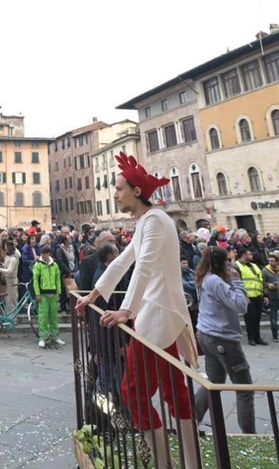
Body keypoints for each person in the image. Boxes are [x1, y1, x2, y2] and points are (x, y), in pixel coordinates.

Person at [75, 152, 200, 469]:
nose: (115, 194)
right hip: (162, 316)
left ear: (137, 192)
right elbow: (123, 261)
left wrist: (126, 311)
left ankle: (166, 461)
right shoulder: (150, 221)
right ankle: (184, 461)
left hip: (157, 318)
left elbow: (142, 266)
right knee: (174, 393)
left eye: (119, 189)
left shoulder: (155, 221)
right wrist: (94, 294)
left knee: (133, 393)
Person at [191, 246, 256, 433]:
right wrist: (237, 282)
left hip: (207, 334)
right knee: (244, 390)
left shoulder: (203, 278)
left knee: (214, 381)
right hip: (223, 339)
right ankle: (249, 434)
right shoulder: (215, 281)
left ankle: (192, 415)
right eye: (227, 260)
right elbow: (241, 305)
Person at [33, 245, 63, 348]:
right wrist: (37, 293)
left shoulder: (54, 265)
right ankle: (43, 338)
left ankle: (54, 336)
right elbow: (35, 280)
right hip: (43, 294)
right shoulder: (38, 265)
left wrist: (59, 291)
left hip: (53, 293)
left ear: (49, 253)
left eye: (46, 253)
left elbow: (57, 279)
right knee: (43, 316)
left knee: (54, 316)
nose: (44, 255)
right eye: (43, 253)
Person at [236, 249, 268, 346]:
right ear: (244, 255)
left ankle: (257, 337)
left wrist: (265, 295)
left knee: (257, 317)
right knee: (250, 318)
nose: (251, 255)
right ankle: (251, 338)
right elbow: (237, 283)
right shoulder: (237, 266)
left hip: (258, 295)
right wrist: (243, 297)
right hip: (248, 297)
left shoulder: (254, 265)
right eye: (249, 253)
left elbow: (261, 280)